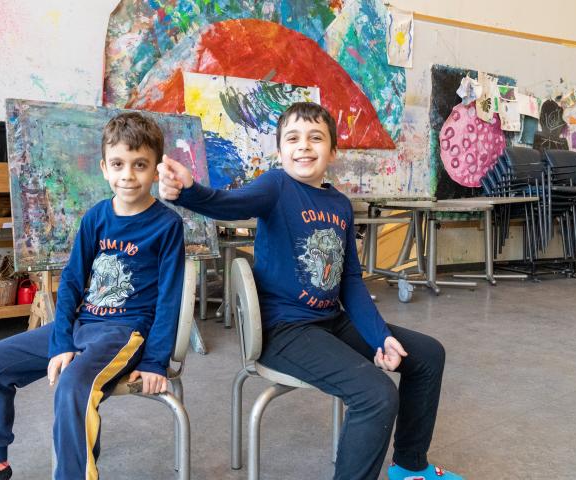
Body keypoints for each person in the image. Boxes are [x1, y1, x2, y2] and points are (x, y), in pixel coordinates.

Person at [158, 102, 462, 480]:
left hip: (330, 322)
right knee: (376, 395)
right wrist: (188, 191)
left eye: (315, 138)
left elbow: (349, 280)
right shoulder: (275, 186)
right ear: (280, 151)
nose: (304, 146)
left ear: (332, 151)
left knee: (428, 355)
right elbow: (228, 204)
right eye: (293, 138)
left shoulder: (339, 204)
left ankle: (410, 466)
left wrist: (380, 337)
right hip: (284, 332)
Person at [0, 112, 185, 480]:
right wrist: (60, 341)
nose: (128, 175)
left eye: (140, 165)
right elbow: (71, 282)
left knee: (72, 387)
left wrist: (154, 362)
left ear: (155, 170)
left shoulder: (167, 225)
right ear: (104, 167)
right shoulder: (96, 218)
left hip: (125, 332)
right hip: (84, 324)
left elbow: (170, 299)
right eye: (118, 164)